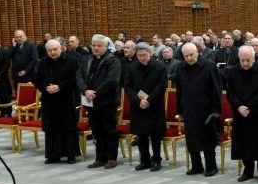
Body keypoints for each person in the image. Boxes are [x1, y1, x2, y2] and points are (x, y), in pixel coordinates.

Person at [226, 46, 258, 182]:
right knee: (243, 142)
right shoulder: (233, 71)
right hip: (240, 114)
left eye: (248, 60)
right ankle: (248, 170)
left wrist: (249, 107)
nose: (245, 63)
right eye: (242, 60)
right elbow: (230, 93)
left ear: (254, 58)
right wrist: (239, 106)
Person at [176, 42, 223, 176]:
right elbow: (179, 89)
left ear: (197, 52)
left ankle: (211, 167)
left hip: (206, 110)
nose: (189, 58)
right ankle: (196, 166)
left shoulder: (209, 66)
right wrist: (179, 109)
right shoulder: (181, 67)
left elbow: (217, 89)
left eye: (191, 55)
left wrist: (216, 110)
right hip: (189, 109)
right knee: (191, 139)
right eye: (186, 56)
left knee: (207, 139)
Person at [33, 38, 80, 163]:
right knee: (51, 128)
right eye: (50, 50)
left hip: (65, 99)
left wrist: (60, 86)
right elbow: (36, 80)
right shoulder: (42, 63)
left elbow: (75, 79)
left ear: (61, 49)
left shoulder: (72, 61)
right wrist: (45, 88)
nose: (53, 52)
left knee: (68, 127)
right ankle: (53, 155)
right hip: (49, 100)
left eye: (55, 49)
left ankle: (71, 155)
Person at [77, 34, 120, 169]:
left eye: (99, 46)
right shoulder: (86, 59)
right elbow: (78, 75)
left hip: (107, 101)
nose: (96, 48)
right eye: (93, 45)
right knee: (96, 130)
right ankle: (100, 158)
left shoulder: (113, 60)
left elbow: (111, 80)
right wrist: (85, 90)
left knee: (109, 130)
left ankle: (111, 158)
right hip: (90, 101)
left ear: (106, 47)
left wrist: (95, 93)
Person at [124, 42, 167, 171]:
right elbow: (128, 86)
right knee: (141, 134)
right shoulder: (132, 67)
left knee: (155, 135)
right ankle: (145, 160)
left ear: (150, 53)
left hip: (154, 105)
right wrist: (138, 101)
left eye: (144, 55)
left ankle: (156, 160)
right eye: (139, 55)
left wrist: (148, 100)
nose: (142, 58)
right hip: (138, 106)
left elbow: (162, 85)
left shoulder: (159, 67)